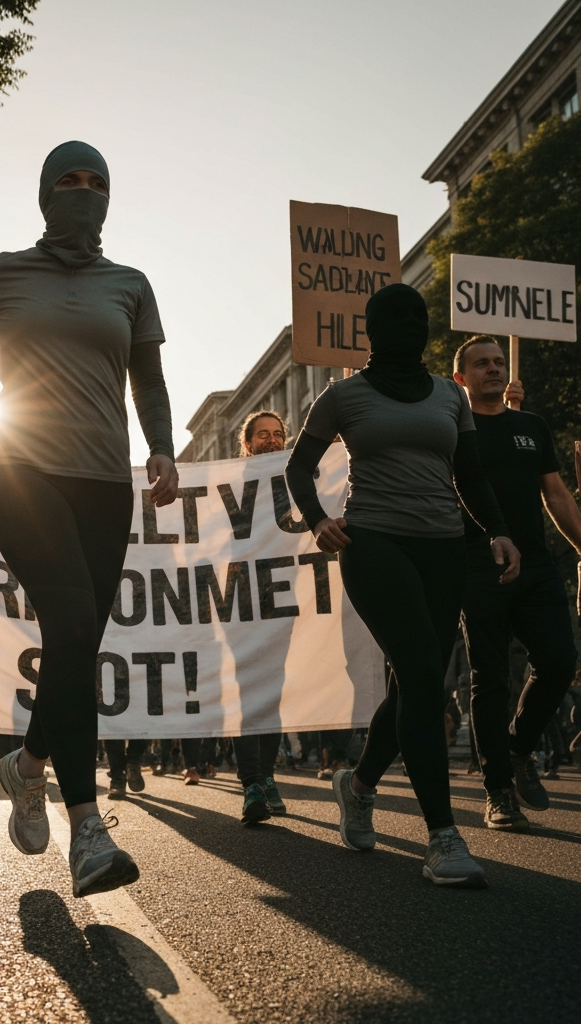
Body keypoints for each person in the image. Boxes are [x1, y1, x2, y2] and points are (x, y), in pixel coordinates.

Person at [0, 141, 178, 897]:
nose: (83, 193)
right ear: (45, 193)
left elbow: (147, 377)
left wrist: (162, 448)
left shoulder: (131, 285)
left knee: (79, 643)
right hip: (21, 471)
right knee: (72, 620)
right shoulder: (1, 273)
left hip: (103, 483)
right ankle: (86, 828)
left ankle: (27, 765)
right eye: (69, 181)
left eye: (96, 183)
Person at [285, 284, 520, 889]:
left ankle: (357, 786)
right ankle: (443, 836)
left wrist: (498, 530)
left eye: (419, 318)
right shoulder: (342, 396)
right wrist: (319, 520)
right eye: (397, 319)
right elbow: (297, 468)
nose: (411, 326)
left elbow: (468, 473)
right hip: (374, 543)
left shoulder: (450, 395)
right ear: (373, 329)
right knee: (421, 674)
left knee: (416, 681)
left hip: (444, 548)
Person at [451, 336, 581, 828]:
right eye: (481, 363)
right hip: (477, 569)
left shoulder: (531, 426)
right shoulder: (452, 433)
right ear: (461, 378)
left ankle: (518, 747)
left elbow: (557, 496)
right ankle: (498, 792)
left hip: (538, 567)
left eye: (499, 361)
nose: (494, 368)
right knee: (490, 679)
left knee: (559, 660)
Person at [232, 410, 289, 821]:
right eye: (263, 434)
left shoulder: (295, 479)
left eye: (278, 434)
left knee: (274, 690)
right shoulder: (228, 484)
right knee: (246, 691)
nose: (271, 439)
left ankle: (266, 775)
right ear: (247, 442)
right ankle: (251, 782)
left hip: (281, 599)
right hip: (235, 601)